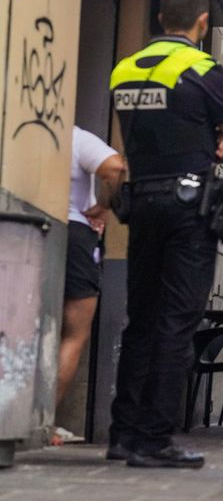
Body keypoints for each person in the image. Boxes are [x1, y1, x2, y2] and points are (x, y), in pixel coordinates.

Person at [107, 0, 223, 468]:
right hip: (188, 208)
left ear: (161, 17)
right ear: (202, 22)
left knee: (141, 318)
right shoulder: (204, 69)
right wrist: (214, 143)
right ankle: (154, 439)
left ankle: (122, 434)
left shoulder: (124, 70)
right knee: (177, 321)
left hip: (141, 201)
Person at [53, 126, 124, 445]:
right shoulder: (75, 136)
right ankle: (42, 421)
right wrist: (104, 206)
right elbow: (115, 167)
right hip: (74, 237)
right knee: (74, 333)